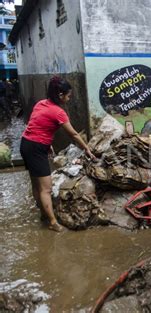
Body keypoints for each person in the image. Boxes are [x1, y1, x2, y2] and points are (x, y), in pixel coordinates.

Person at [20, 76, 96, 232]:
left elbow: (38, 125)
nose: (69, 98)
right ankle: (53, 222)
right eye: (68, 95)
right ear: (60, 95)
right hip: (36, 148)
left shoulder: (40, 104)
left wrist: (48, 145)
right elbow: (74, 135)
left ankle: (43, 213)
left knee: (36, 184)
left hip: (26, 144)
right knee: (46, 189)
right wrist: (86, 149)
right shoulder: (58, 112)